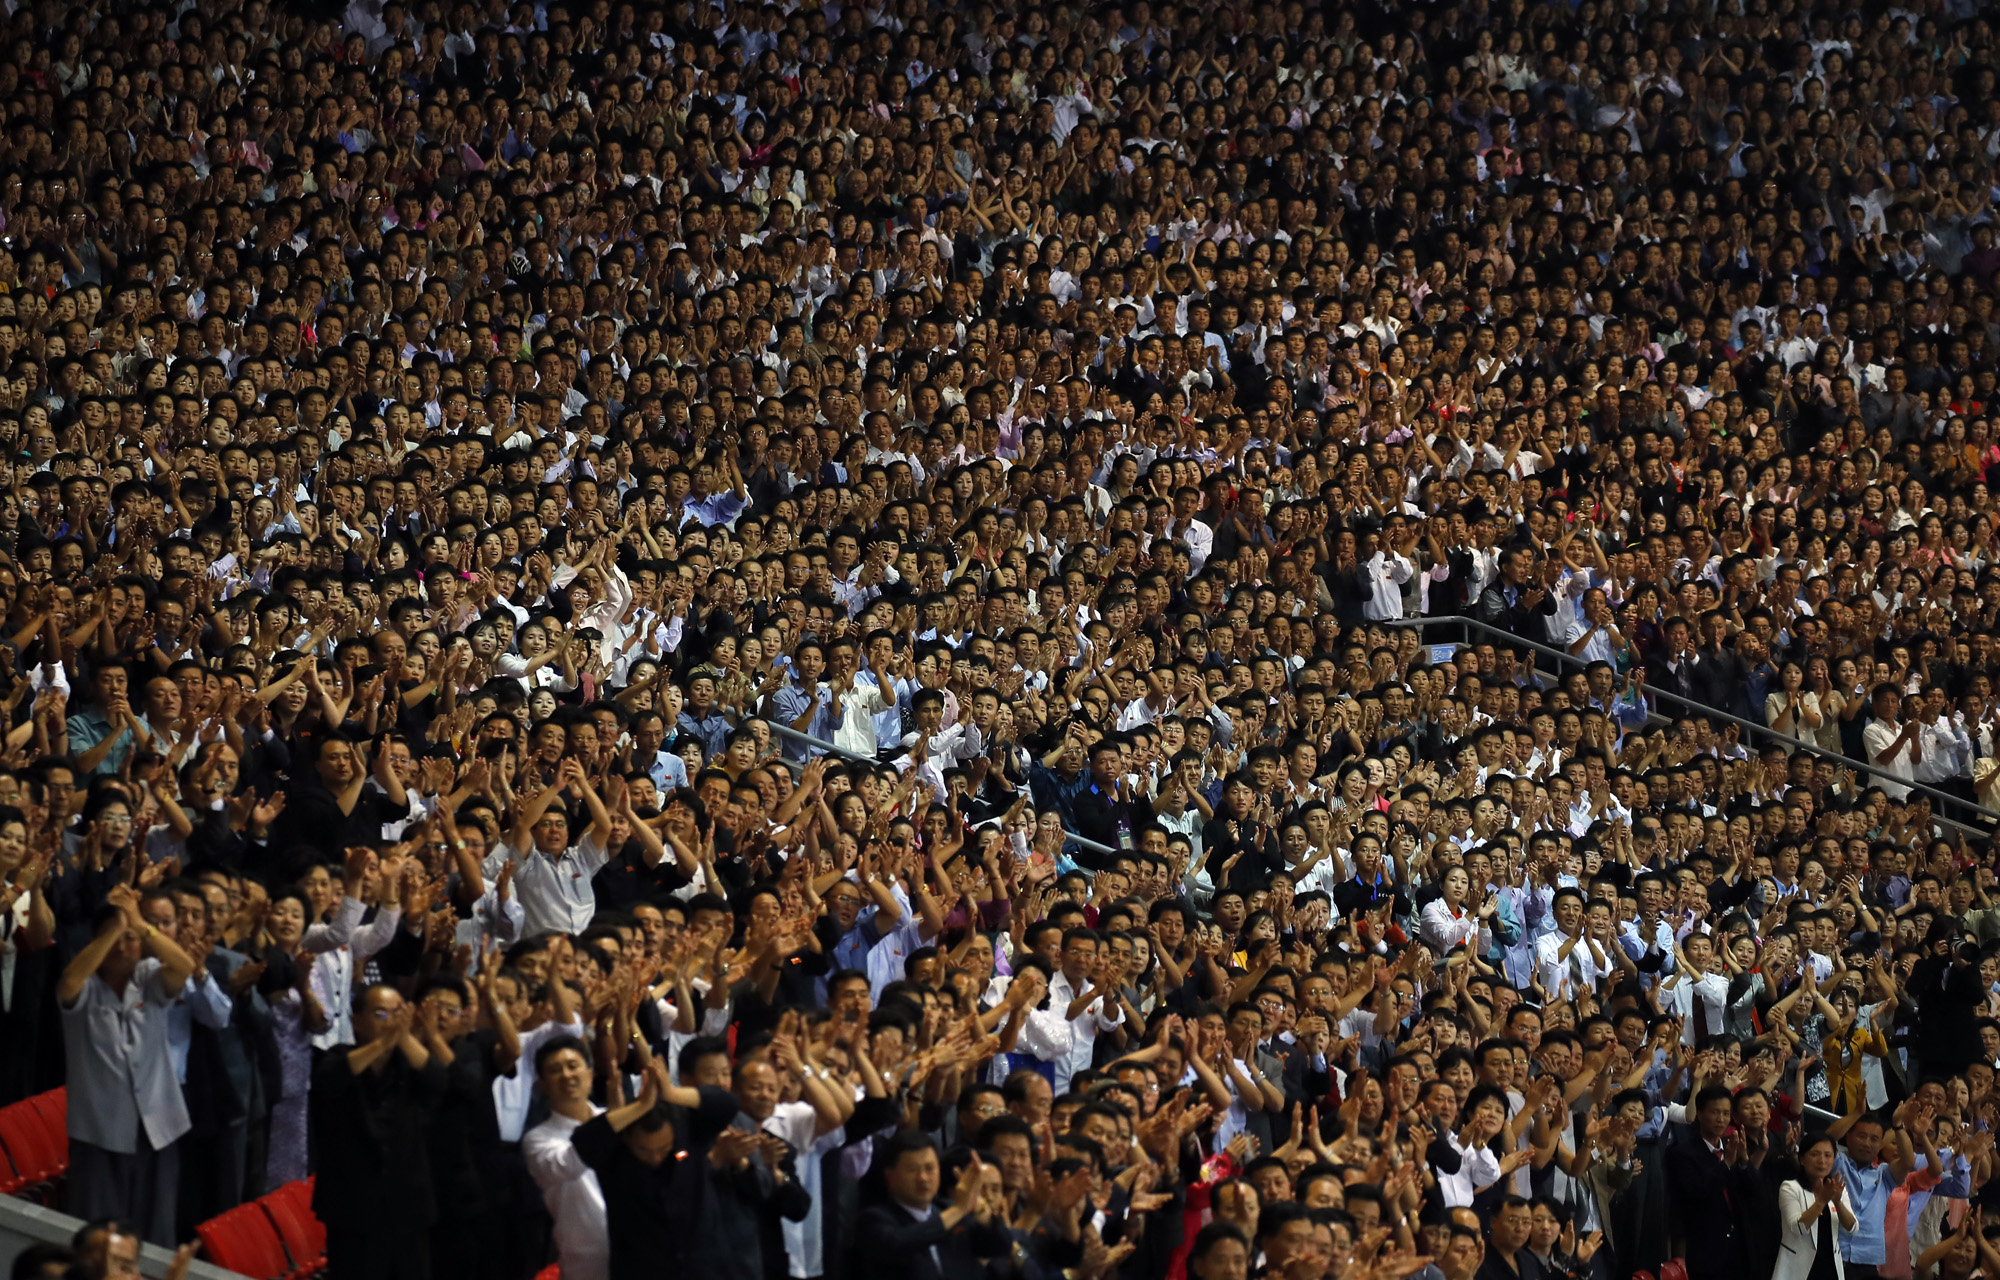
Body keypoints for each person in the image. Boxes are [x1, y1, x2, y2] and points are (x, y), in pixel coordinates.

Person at [58, 883, 197, 1244]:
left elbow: (184, 966)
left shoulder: (148, 976)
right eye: (114, 939)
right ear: (94, 943)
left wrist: (141, 924)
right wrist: (118, 926)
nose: (123, 946)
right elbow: (70, 981)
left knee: (156, 1236)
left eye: (131, 939)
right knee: (101, 1237)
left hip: (157, 1128)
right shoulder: (84, 987)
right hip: (99, 1134)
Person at [309, 984, 449, 1280]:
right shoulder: (337, 1057)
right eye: (380, 1014)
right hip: (353, 1211)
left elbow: (440, 1081)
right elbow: (329, 1080)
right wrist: (383, 1044)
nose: (390, 1021)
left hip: (407, 1208)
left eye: (397, 1014)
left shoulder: (409, 1064)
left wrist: (405, 1039)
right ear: (356, 1019)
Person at [1778, 1136, 1857, 1280]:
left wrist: (1838, 1202)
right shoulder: (1790, 1188)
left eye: (1828, 1155)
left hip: (1831, 1268)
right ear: (1802, 1159)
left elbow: (1852, 1227)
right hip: (1797, 1269)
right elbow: (1797, 1228)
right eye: (1815, 1154)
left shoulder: (1836, 1189)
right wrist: (1821, 1200)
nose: (1822, 1161)